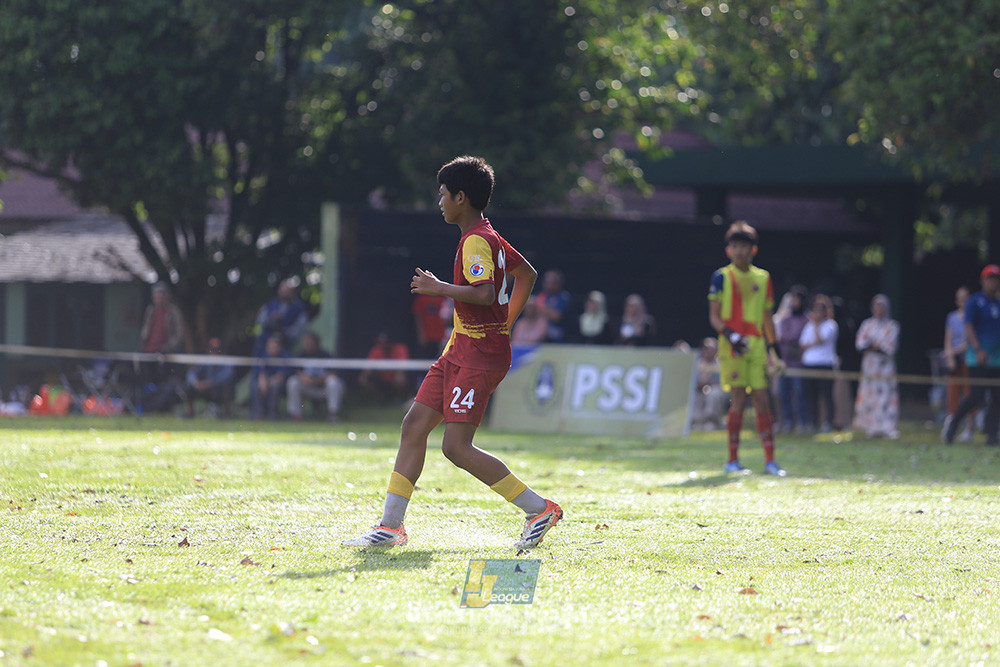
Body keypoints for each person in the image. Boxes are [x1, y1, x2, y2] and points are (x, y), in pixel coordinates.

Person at [343, 155, 562, 549]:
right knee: (414, 425)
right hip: (460, 348)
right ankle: (391, 527)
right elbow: (526, 273)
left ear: (461, 197)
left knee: (455, 447)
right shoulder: (485, 234)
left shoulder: (477, 240)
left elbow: (483, 293)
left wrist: (440, 287)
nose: (439, 201)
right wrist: (505, 322)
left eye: (443, 194)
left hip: (479, 356)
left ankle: (538, 508)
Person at [708, 220, 786, 476]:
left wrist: (776, 350)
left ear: (753, 249)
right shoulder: (721, 277)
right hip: (732, 347)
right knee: (738, 399)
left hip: (757, 346)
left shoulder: (763, 278)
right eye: (734, 246)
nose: (739, 251)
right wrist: (731, 336)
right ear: (728, 250)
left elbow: (767, 317)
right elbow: (715, 317)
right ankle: (732, 461)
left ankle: (770, 461)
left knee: (763, 400)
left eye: (743, 246)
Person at [942, 265, 1000, 445]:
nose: (993, 282)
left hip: (997, 360)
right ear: (983, 281)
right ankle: (953, 424)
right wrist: (978, 349)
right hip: (978, 359)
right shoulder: (975, 301)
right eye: (990, 278)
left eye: (996, 279)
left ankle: (991, 435)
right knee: (976, 396)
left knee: (997, 398)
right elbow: (968, 327)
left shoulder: (998, 303)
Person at [853, 295, 900, 439]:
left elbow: (888, 347)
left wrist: (872, 345)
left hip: (885, 369)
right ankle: (871, 427)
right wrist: (874, 345)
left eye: (881, 306)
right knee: (869, 395)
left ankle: (888, 427)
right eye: (876, 306)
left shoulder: (892, 326)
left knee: (886, 396)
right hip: (869, 368)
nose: (878, 309)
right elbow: (860, 344)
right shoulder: (867, 324)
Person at [138, 281, 186, 412]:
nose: (159, 298)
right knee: (146, 379)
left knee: (164, 381)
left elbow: (179, 334)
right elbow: (146, 330)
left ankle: (162, 406)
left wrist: (169, 347)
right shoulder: (150, 311)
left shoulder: (173, 312)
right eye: (156, 295)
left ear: (167, 296)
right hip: (149, 352)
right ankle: (147, 406)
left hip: (165, 353)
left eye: (161, 295)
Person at [799, 294, 839, 432]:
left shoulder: (831, 325)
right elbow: (802, 345)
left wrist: (816, 326)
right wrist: (813, 342)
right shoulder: (808, 326)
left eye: (820, 310)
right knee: (810, 395)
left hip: (825, 365)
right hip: (809, 365)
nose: (816, 313)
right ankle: (812, 422)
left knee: (827, 395)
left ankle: (829, 422)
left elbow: (820, 340)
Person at [286, 331, 345, 422]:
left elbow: (333, 372)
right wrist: (305, 378)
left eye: (309, 342)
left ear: (316, 342)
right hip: (308, 388)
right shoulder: (301, 355)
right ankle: (296, 415)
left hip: (323, 389)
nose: (307, 344)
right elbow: (297, 372)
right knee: (293, 381)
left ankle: (333, 414)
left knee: (333, 382)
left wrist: (316, 380)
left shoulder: (326, 355)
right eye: (305, 342)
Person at [775, 286, 809, 433]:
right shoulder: (785, 318)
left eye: (797, 299)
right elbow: (783, 337)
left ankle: (802, 421)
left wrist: (790, 339)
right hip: (784, 362)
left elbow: (798, 337)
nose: (794, 302)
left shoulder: (807, 319)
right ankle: (788, 421)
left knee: (799, 393)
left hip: (798, 363)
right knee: (783, 394)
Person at [942, 286, 974, 440]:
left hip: (969, 359)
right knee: (953, 393)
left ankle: (969, 429)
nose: (963, 300)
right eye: (960, 298)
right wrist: (949, 357)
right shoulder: (952, 317)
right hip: (955, 361)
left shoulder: (973, 316)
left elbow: (970, 341)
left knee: (970, 394)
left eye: (965, 297)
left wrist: (953, 352)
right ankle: (951, 426)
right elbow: (948, 340)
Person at [252, 278, 309, 357]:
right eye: (282, 290)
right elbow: (260, 321)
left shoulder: (298, 309)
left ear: (293, 292)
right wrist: (271, 319)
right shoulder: (270, 305)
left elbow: (300, 328)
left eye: (287, 291)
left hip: (286, 342)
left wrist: (284, 332)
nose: (284, 292)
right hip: (265, 340)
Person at [184, 337, 235, 418]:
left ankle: (226, 414)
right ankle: (190, 413)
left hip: (218, 390)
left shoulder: (226, 362)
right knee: (189, 386)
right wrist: (195, 382)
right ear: (208, 350)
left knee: (227, 387)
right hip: (206, 390)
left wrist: (209, 383)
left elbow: (226, 376)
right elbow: (191, 373)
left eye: (217, 350)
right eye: (212, 350)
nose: (214, 353)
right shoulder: (205, 361)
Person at [358, 332, 411, 405]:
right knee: (363, 379)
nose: (383, 345)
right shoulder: (376, 350)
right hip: (381, 379)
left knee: (400, 377)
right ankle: (380, 396)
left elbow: (402, 367)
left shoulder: (400, 348)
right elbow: (368, 368)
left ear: (391, 342)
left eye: (385, 343)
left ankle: (399, 397)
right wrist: (369, 372)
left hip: (394, 379)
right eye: (381, 342)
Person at [691, 337, 729, 431]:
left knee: (714, 394)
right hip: (699, 389)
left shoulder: (720, 363)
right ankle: (698, 422)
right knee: (693, 395)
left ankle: (711, 421)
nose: (706, 350)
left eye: (710, 348)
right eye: (705, 348)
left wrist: (709, 382)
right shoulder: (696, 363)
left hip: (716, 389)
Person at [250, 334, 290, 420]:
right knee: (256, 385)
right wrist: (263, 382)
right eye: (269, 347)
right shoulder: (264, 355)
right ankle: (258, 415)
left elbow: (281, 376)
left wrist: (268, 383)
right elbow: (261, 372)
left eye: (274, 347)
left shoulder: (285, 356)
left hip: (280, 382)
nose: (271, 349)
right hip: (267, 381)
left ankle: (273, 415)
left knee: (275, 387)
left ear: (279, 347)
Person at [535, 269, 572, 343]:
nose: (549, 285)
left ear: (558, 283)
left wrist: (540, 309)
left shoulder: (563, 297)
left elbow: (556, 316)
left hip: (556, 330)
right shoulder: (539, 295)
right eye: (547, 282)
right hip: (537, 328)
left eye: (552, 282)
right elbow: (530, 313)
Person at [412, 293, 449, 359]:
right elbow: (417, 316)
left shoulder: (443, 299)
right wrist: (421, 334)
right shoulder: (422, 298)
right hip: (426, 336)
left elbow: (448, 318)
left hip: (440, 336)